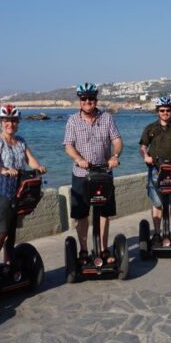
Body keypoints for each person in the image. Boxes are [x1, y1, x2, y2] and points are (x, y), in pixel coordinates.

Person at [63, 83, 123, 264]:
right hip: (82, 174)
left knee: (104, 212)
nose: (87, 101)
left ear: (95, 100)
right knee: (82, 214)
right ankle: (83, 251)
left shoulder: (107, 118)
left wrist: (115, 156)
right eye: (84, 99)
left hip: (104, 172)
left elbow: (117, 140)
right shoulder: (73, 120)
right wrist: (78, 159)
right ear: (80, 101)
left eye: (91, 98)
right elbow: (68, 145)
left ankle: (103, 250)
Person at [0, 104, 47, 267]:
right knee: (2, 231)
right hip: (1, 194)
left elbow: (30, 159)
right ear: (1, 122)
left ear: (17, 122)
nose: (10, 124)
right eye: (6, 120)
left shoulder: (21, 141)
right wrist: (4, 170)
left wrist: (38, 167)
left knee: (12, 232)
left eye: (13, 120)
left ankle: (8, 263)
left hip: (18, 193)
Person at [138, 96, 171, 246]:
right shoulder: (150, 128)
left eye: (168, 110)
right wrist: (145, 156)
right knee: (157, 203)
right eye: (162, 110)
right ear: (157, 112)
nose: (165, 113)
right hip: (155, 170)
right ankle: (156, 234)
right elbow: (143, 146)